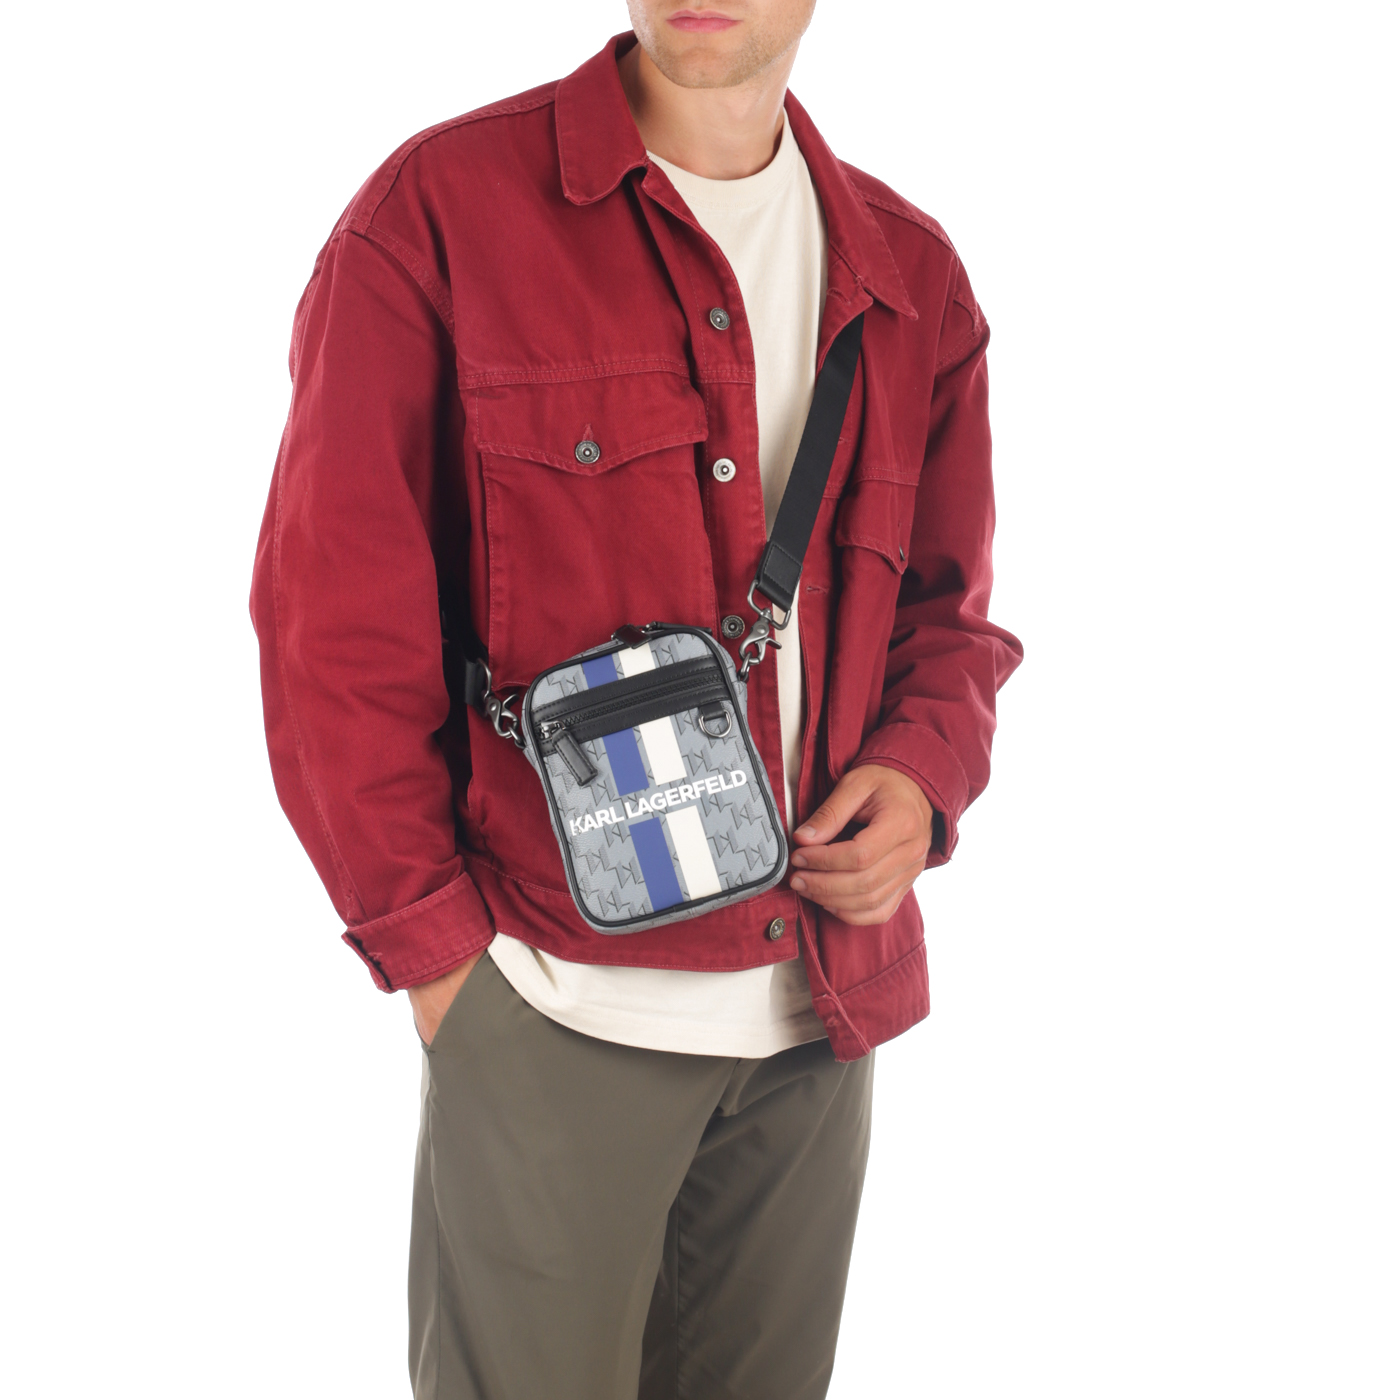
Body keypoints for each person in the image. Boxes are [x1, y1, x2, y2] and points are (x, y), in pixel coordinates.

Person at [250, 3, 1022, 1395]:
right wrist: (444, 968)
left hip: (816, 1019)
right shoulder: (437, 217)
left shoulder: (909, 274)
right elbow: (331, 625)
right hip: (552, 1010)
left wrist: (922, 778)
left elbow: (948, 614)